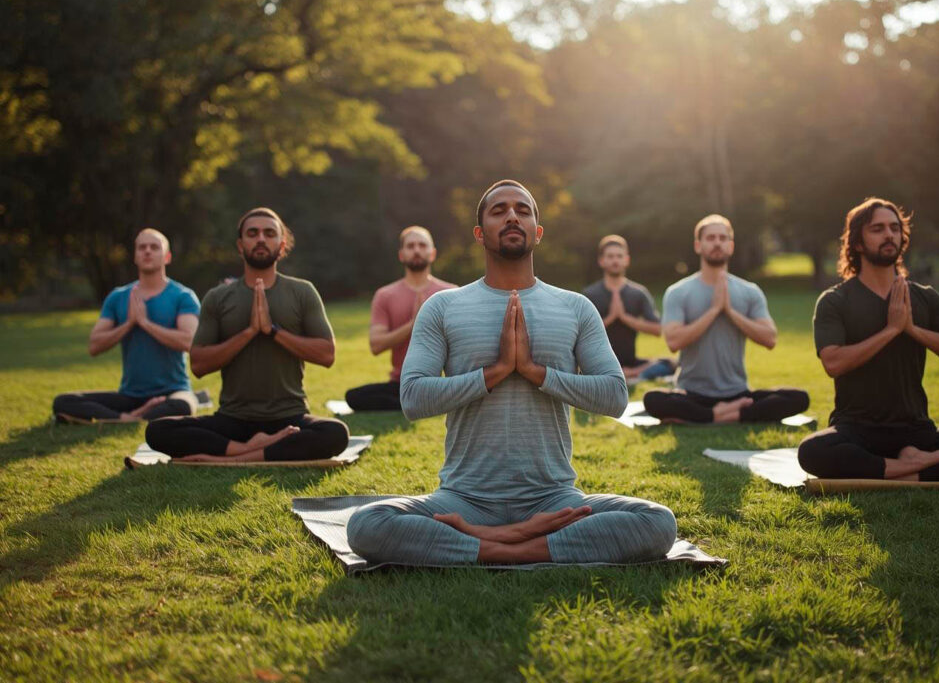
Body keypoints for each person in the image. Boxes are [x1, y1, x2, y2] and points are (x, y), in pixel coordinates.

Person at [347, 180, 677, 565]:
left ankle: (495, 546)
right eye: (498, 210)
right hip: (464, 498)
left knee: (657, 522)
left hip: (553, 500)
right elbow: (413, 398)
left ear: (537, 231)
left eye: (523, 210)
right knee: (367, 524)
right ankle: (516, 543)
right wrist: (498, 371)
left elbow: (615, 397)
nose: (511, 216)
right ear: (479, 233)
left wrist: (538, 373)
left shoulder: (575, 307)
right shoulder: (443, 307)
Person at [798, 198, 939, 481]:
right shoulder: (835, 300)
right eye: (877, 229)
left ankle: (900, 467)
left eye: (894, 228)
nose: (889, 234)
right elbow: (833, 362)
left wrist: (913, 330)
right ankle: (919, 468)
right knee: (812, 451)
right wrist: (890, 331)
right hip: (857, 429)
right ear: (857, 243)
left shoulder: (924, 297)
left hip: (916, 430)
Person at [145, 208, 349, 463]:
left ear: (282, 244)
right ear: (241, 245)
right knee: (158, 430)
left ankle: (230, 456)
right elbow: (198, 364)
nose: (261, 239)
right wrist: (250, 332)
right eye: (253, 233)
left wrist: (272, 331)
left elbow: (327, 354)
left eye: (269, 233)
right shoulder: (218, 297)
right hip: (233, 419)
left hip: (289, 417)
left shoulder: (302, 291)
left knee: (336, 433)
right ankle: (251, 451)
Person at [643, 214, 809, 424]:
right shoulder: (678, 292)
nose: (717, 243)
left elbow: (770, 339)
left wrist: (730, 312)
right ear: (698, 245)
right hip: (692, 393)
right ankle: (729, 414)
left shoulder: (750, 291)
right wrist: (713, 310)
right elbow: (674, 342)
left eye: (723, 238)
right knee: (653, 399)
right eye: (710, 238)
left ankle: (715, 416)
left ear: (731, 246)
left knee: (799, 398)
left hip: (737, 392)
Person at [52, 229, 200, 423]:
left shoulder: (183, 296)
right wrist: (129, 323)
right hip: (130, 396)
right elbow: (94, 346)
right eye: (142, 247)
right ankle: (129, 418)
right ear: (135, 256)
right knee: (63, 401)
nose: (147, 251)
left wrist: (146, 323)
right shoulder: (118, 297)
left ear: (167, 257)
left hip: (172, 392)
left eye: (154, 247)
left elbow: (190, 342)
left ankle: (119, 418)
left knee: (184, 406)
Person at [344, 226, 456, 411]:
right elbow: (376, 345)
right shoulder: (385, 295)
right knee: (354, 397)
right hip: (402, 383)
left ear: (432, 253)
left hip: (440, 382)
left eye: (422, 245)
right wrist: (414, 324)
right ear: (401, 255)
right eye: (410, 246)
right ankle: (421, 403)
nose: (417, 250)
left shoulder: (451, 293)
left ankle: (424, 401)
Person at [582, 235, 673, 381]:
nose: (615, 260)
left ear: (626, 260)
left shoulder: (638, 293)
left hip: (631, 361)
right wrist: (611, 318)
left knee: (668, 363)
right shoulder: (590, 294)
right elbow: (582, 335)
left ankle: (629, 373)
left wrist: (625, 317)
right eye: (610, 256)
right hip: (599, 363)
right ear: (601, 261)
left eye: (619, 256)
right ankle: (629, 375)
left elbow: (657, 329)